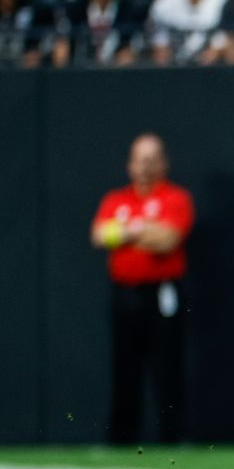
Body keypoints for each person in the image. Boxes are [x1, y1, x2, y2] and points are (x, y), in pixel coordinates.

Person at [90, 133, 194, 444]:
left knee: (167, 367)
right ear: (130, 164)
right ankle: (122, 438)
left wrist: (125, 232)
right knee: (125, 367)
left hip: (161, 293)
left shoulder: (175, 198)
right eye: (140, 159)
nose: (145, 166)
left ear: (163, 162)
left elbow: (170, 238)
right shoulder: (116, 199)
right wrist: (143, 230)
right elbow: (98, 235)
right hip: (125, 293)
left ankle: (173, 437)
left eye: (152, 159)